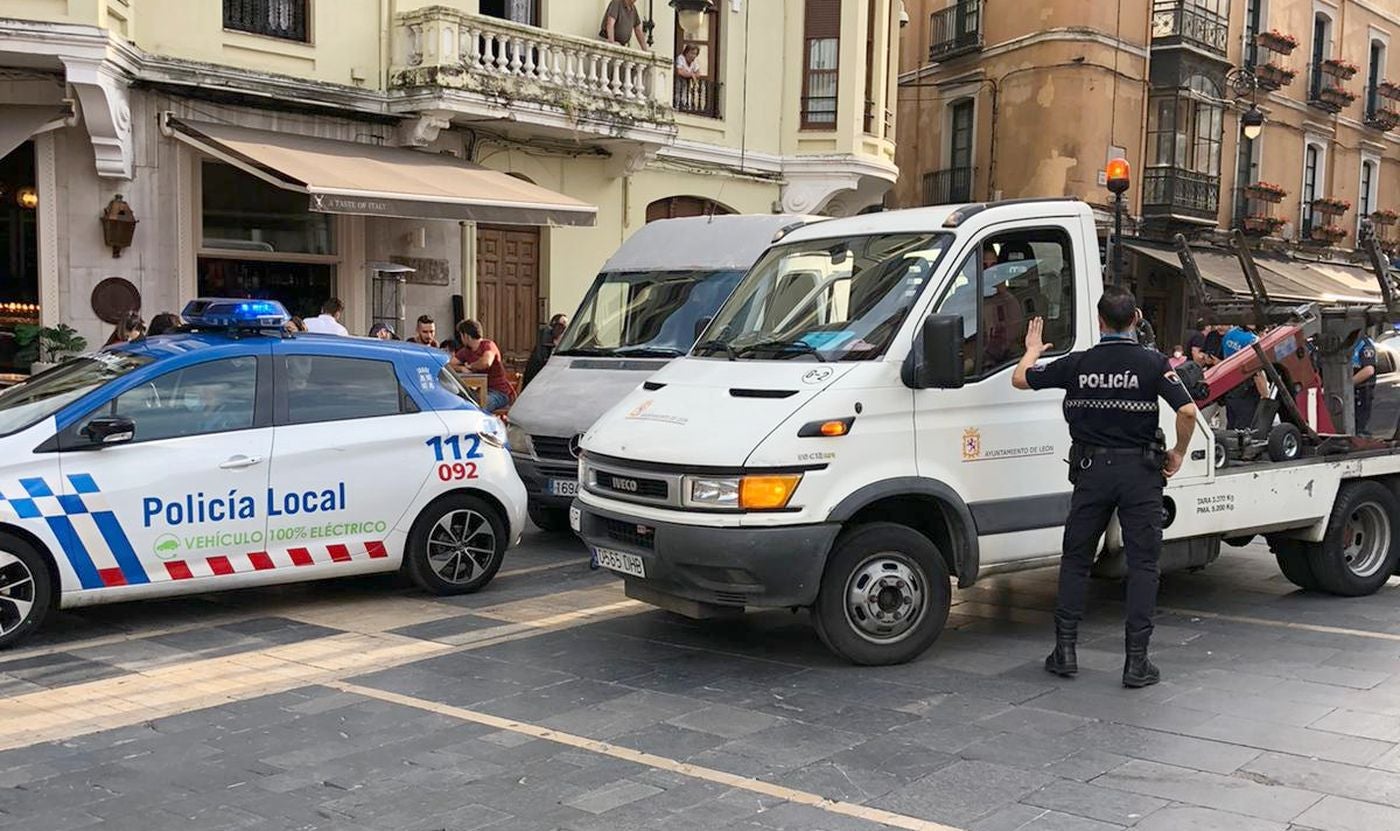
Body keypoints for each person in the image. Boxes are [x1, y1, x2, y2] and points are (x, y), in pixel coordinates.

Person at [1012, 285, 1198, 689]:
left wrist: (1032, 349)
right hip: (1140, 475)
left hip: (1091, 471)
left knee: (1077, 558)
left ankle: (1064, 651)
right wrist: (1179, 454)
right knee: (1144, 564)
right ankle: (1136, 663)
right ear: (1135, 320)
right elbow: (1187, 410)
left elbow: (1020, 380)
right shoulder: (1152, 363)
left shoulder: (1078, 363)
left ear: (1099, 322)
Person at [450, 319, 516, 412]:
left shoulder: (488, 345)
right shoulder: (465, 351)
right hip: (478, 391)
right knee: (458, 400)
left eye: (461, 335)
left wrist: (470, 366)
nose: (460, 339)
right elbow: (448, 365)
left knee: (481, 404)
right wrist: (461, 368)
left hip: (498, 392)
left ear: (466, 336)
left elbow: (486, 362)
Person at [1220, 324, 1268, 430]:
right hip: (1247, 390)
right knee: (1244, 428)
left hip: (1230, 387)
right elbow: (1257, 372)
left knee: (1231, 424)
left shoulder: (1230, 333)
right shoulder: (1253, 340)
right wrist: (1265, 395)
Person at [522, 313, 569, 389]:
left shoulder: (565, 344)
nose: (562, 330)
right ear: (553, 327)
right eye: (560, 326)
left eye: (565, 327)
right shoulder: (544, 345)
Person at [1354, 333, 1379, 435]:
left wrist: (1346, 385)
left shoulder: (1364, 344)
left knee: (1359, 428)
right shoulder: (1342, 343)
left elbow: (1369, 370)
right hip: (1349, 394)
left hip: (1362, 392)